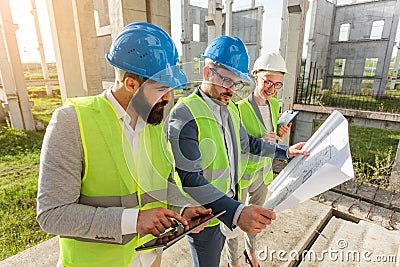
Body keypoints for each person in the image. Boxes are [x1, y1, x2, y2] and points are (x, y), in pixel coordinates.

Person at [36, 22, 210, 267]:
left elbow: (159, 186)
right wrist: (134, 220)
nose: (168, 98)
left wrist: (181, 210)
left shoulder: (153, 122)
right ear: (131, 85)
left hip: (149, 259)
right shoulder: (71, 122)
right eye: (161, 89)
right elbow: (52, 215)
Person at [168, 36, 309, 267]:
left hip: (228, 204)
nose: (231, 89)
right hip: (205, 216)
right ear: (206, 73)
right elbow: (189, 177)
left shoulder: (230, 109)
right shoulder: (185, 114)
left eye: (236, 83)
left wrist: (286, 152)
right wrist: (236, 211)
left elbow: (249, 144)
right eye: (226, 81)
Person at [227, 53, 290, 267]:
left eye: (278, 84)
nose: (272, 89)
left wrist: (279, 134)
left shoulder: (274, 106)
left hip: (263, 174)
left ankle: (250, 252)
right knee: (235, 220)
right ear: (255, 78)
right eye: (267, 81)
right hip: (243, 176)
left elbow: (271, 138)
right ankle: (233, 261)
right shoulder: (239, 108)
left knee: (257, 221)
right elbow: (236, 145)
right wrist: (261, 140)